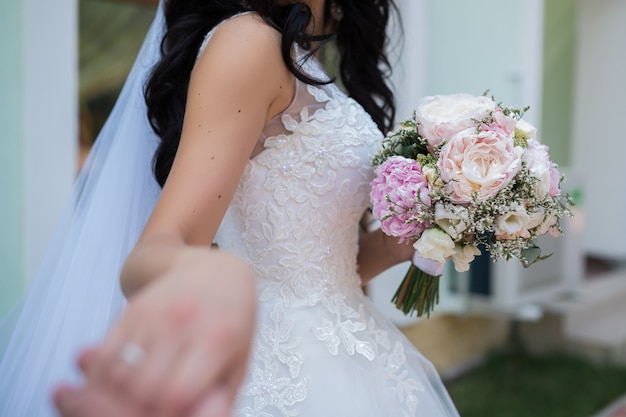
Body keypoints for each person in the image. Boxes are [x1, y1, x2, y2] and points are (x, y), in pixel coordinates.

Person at [1, 0, 460, 416]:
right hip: (279, 373)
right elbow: (156, 250)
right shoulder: (250, 41)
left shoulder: (306, 53)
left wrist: (405, 240)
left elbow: (320, 274)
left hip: (355, 350)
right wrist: (214, 275)